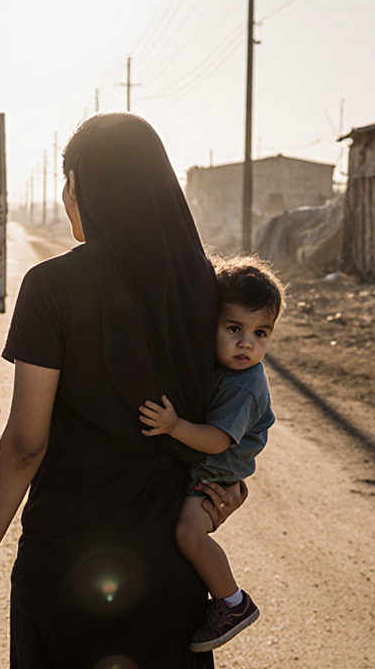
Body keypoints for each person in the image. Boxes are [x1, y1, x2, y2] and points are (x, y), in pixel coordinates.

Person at [0, 113, 247, 668]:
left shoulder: (52, 287)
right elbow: (236, 405)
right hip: (168, 567)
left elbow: (25, 444)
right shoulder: (205, 288)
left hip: (68, 562)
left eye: (69, 182)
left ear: (81, 184)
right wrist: (227, 488)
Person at [139, 255, 282, 652]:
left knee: (189, 532)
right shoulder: (218, 365)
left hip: (216, 473)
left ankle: (233, 602)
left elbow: (217, 440)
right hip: (204, 466)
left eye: (261, 333)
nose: (247, 343)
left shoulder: (245, 384)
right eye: (234, 328)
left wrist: (173, 427)